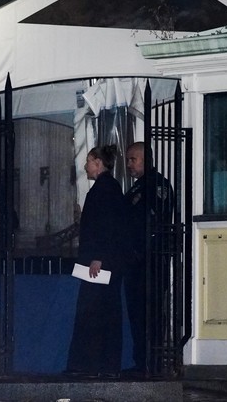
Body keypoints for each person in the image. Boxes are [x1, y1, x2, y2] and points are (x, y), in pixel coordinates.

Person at [65, 144, 132, 379]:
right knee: (104, 312)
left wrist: (98, 258)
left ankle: (90, 363)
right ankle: (104, 364)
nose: (85, 166)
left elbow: (105, 227)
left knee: (94, 312)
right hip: (106, 262)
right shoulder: (110, 188)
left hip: (99, 263)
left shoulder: (102, 190)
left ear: (98, 163)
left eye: (89, 161)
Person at [124, 141, 174, 374]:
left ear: (147, 160)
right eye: (128, 160)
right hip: (134, 263)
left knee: (151, 314)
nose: (129, 165)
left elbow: (153, 221)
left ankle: (152, 363)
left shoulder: (157, 186)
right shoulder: (137, 188)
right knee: (136, 313)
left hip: (151, 262)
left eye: (133, 159)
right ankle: (141, 361)